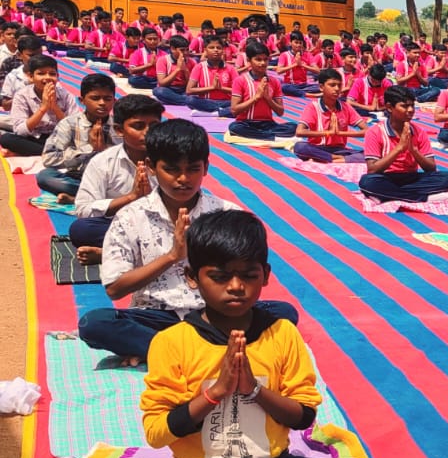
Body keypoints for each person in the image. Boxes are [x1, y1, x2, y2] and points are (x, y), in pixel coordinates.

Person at [98, 210, 380, 458]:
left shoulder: (281, 333)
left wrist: (254, 390)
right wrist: (215, 393)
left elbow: (304, 416)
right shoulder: (172, 342)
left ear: (265, 277)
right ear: (191, 278)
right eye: (218, 277)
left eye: (248, 276)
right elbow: (156, 433)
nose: (235, 287)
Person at [78, 120, 300, 364]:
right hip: (157, 317)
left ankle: (168, 354)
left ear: (205, 167)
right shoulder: (130, 217)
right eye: (172, 169)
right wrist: (172, 256)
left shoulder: (226, 213)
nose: (183, 178)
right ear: (152, 167)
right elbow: (115, 288)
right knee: (94, 323)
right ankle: (202, 353)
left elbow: (246, 276)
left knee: (284, 313)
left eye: (193, 169)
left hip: (216, 315)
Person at [71, 95, 165, 264]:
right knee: (81, 229)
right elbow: (83, 209)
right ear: (119, 130)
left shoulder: (170, 159)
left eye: (154, 126)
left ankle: (111, 254)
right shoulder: (103, 162)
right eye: (138, 126)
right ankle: (145, 254)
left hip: (164, 224)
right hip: (122, 226)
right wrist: (131, 197)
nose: (148, 132)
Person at [358, 86, 448, 203]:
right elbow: (372, 170)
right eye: (404, 106)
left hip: (411, 178)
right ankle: (422, 198)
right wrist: (399, 148)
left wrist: (414, 150)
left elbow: (431, 168)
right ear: (389, 107)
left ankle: (390, 195)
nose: (410, 110)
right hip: (386, 177)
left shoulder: (418, 131)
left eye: (412, 106)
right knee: (367, 182)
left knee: (447, 178)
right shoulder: (375, 132)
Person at [38, 73, 119, 202]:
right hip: (80, 176)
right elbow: (49, 159)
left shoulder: (119, 126)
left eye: (107, 98)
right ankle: (99, 197)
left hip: (113, 178)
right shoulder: (69, 124)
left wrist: (104, 151)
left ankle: (81, 198)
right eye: (95, 98)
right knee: (45, 176)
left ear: (114, 101)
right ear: (82, 101)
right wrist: (88, 149)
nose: (102, 103)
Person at [2, 54, 78, 157]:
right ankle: (54, 154)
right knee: (6, 139)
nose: (47, 78)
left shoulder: (66, 95)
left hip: (59, 138)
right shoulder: (22, 95)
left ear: (57, 76)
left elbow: (74, 128)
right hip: (34, 138)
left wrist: (55, 107)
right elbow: (20, 131)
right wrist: (43, 108)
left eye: (52, 74)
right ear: (31, 77)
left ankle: (44, 154)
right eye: (41, 74)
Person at [291, 69, 367, 163]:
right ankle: (335, 158)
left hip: (339, 150)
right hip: (318, 148)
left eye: (339, 85)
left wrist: (339, 133)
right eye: (332, 85)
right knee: (299, 147)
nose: (336, 89)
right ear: (321, 87)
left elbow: (366, 131)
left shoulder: (345, 107)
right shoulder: (313, 107)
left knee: (369, 155)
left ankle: (328, 158)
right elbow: (299, 131)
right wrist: (328, 133)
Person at [227, 42, 298, 141]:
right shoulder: (240, 80)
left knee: (294, 127)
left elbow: (280, 112)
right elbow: (234, 110)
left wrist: (268, 99)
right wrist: (256, 97)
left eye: (265, 59)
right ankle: (272, 137)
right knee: (234, 128)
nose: (263, 63)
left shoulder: (274, 81)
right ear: (249, 60)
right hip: (246, 123)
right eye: (258, 59)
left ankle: (263, 135)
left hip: (267, 124)